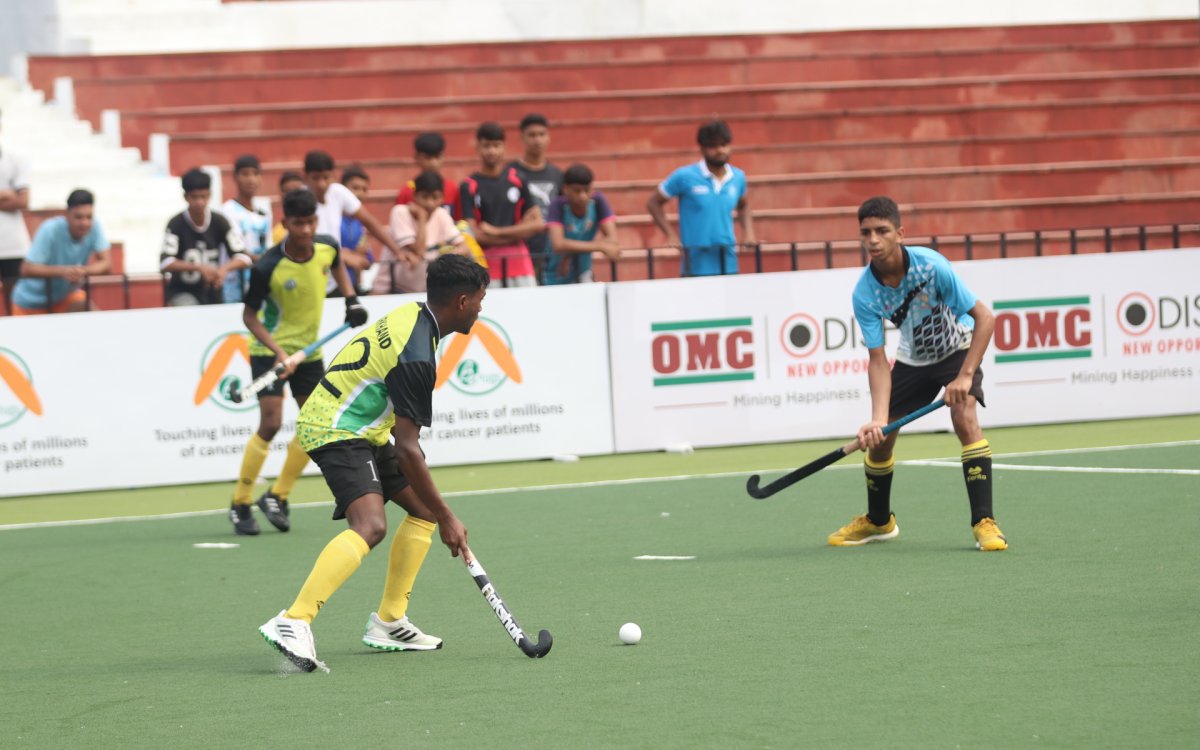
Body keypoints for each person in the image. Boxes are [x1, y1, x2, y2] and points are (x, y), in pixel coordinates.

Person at [258, 253, 488, 672]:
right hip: (336, 428)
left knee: (421, 511)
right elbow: (408, 449)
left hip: (363, 428)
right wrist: (450, 516)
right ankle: (293, 620)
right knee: (371, 525)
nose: (480, 307)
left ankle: (389, 621)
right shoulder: (417, 355)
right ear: (460, 301)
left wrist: (437, 511)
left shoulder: (414, 314)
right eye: (479, 299)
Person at [829, 196, 1006, 552]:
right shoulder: (864, 292)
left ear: (900, 233)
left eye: (882, 231)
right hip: (912, 361)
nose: (874, 240)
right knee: (883, 439)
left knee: (964, 416)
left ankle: (984, 521)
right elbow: (878, 360)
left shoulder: (932, 266)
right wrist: (878, 420)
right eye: (866, 233)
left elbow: (985, 317)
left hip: (957, 351)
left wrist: (965, 376)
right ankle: (879, 521)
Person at [229, 188, 369, 536]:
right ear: (285, 223)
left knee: (312, 424)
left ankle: (277, 496)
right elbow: (250, 317)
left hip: (310, 352)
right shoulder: (268, 265)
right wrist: (278, 353)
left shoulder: (327, 247)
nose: (305, 230)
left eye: (309, 222)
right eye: (297, 224)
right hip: (270, 351)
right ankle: (241, 502)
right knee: (272, 422)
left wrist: (350, 300)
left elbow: (337, 263)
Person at [646, 119, 756, 277]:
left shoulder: (738, 177)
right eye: (713, 146)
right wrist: (670, 234)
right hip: (695, 264)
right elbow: (653, 203)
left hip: (728, 262)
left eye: (724, 145)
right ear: (702, 148)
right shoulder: (684, 176)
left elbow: (743, 205)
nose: (720, 150)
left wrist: (749, 232)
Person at [460, 122, 544, 287]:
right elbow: (474, 234)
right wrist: (518, 232)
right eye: (486, 146)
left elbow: (538, 224)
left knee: (527, 307)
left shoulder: (518, 179)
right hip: (485, 262)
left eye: (496, 145)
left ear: (504, 147)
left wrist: (496, 231)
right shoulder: (468, 185)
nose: (491, 151)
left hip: (519, 260)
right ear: (478, 147)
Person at [301, 151, 409, 278]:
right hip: (310, 273)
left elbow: (369, 221)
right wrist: (342, 255)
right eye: (315, 178)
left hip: (336, 275)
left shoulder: (337, 192)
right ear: (305, 176)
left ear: (333, 176)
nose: (321, 184)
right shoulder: (300, 198)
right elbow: (302, 238)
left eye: (326, 177)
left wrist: (397, 251)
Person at [160, 168, 251, 306]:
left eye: (203, 196)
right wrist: (199, 268)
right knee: (188, 309)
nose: (200, 202)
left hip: (214, 292)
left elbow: (243, 258)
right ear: (185, 197)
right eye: (194, 197)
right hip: (183, 291)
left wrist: (223, 270)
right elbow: (165, 263)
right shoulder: (176, 224)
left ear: (210, 195)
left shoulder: (220, 221)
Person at [11, 189, 111, 315]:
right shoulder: (50, 229)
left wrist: (82, 271)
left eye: (89, 217)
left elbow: (106, 264)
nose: (84, 222)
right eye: (78, 217)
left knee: (94, 315)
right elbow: (27, 269)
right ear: (67, 214)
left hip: (64, 297)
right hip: (30, 302)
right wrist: (64, 272)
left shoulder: (95, 226)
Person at [374, 170, 473, 295]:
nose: (430, 203)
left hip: (424, 290)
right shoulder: (400, 212)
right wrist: (422, 218)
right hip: (390, 290)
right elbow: (419, 250)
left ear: (442, 198)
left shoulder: (441, 214)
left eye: (435, 197)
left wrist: (440, 260)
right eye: (425, 197)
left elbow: (465, 248)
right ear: (415, 196)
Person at [507, 113, 563, 282]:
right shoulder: (510, 174)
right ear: (522, 138)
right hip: (522, 251)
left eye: (541, 134)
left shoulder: (557, 174)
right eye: (532, 135)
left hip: (552, 251)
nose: (537, 140)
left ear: (548, 137)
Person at [543, 164, 620, 284]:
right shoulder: (557, 205)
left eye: (587, 190)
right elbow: (558, 244)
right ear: (565, 189)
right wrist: (599, 246)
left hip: (584, 274)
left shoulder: (598, 201)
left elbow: (613, 241)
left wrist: (569, 251)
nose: (583, 196)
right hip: (554, 273)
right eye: (577, 191)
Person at [221, 154, 272, 303]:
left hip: (259, 279)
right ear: (235, 177)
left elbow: (267, 245)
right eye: (245, 174)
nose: (251, 179)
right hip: (234, 283)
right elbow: (235, 248)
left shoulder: (264, 212)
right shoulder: (227, 210)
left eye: (255, 174)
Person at [0, 111, 31, 314]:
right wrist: (6, 194)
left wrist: (16, 197)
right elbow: (16, 198)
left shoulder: (15, 159)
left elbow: (24, 200)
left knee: (16, 304)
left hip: (13, 246)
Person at [394, 132, 461, 220]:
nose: (433, 163)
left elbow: (460, 221)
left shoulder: (452, 188)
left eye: (437, 157)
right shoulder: (406, 191)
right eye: (427, 157)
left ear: (443, 157)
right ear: (416, 157)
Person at [337, 165, 374, 294]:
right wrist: (347, 256)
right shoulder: (333, 218)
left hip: (353, 288)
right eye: (355, 188)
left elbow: (368, 261)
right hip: (332, 288)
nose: (360, 193)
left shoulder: (361, 223)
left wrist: (361, 258)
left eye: (364, 189)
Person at [270, 171, 305, 245]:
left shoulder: (318, 220)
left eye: (297, 191)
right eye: (288, 192)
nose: (293, 196)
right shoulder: (278, 234)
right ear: (281, 196)